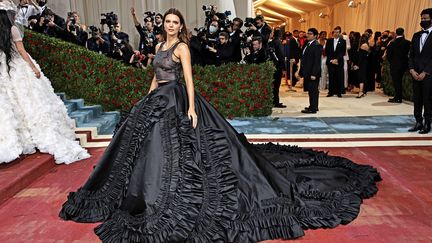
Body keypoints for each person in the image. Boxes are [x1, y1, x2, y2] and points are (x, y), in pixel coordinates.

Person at [59, 8, 380, 242]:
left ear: (180, 26)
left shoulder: (182, 48)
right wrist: (142, 102)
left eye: (175, 22)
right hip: (157, 100)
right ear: (163, 26)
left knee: (185, 151)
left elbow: (187, 79)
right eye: (167, 22)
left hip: (178, 100)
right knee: (141, 148)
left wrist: (194, 108)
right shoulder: (157, 48)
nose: (170, 26)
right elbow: (155, 80)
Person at [0, 1, 89, 164]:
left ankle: (19, 139)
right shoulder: (12, 29)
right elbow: (22, 52)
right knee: (29, 101)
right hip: (18, 67)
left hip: (4, 70)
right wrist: (34, 68)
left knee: (11, 104)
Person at [408, 8, 432, 134]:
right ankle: (418, 121)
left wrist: (426, 71)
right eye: (421, 18)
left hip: (429, 74)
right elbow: (411, 54)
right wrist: (411, 69)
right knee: (417, 99)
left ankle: (428, 123)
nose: (423, 20)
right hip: (415, 73)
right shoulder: (416, 35)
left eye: (425, 18)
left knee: (427, 99)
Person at [300, 28, 322, 114]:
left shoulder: (316, 45)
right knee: (311, 90)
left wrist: (314, 74)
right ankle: (313, 106)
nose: (308, 35)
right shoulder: (308, 44)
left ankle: (313, 108)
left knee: (313, 91)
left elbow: (317, 61)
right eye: (307, 33)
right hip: (307, 71)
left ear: (315, 36)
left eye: (310, 34)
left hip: (313, 72)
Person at [386, 27, 411, 103]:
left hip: (394, 65)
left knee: (396, 81)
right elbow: (410, 53)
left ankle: (398, 98)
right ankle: (399, 97)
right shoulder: (407, 42)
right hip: (404, 65)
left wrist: (391, 62)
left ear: (396, 33)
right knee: (400, 81)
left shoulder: (392, 43)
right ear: (403, 33)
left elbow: (388, 54)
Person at [326, 26, 346, 97]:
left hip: (339, 62)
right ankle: (330, 92)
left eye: (337, 32)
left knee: (339, 77)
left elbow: (343, 52)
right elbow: (327, 51)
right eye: (334, 32)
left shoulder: (343, 41)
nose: (336, 34)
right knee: (331, 77)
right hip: (331, 61)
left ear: (340, 33)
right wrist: (331, 60)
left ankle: (339, 92)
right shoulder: (329, 40)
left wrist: (337, 59)